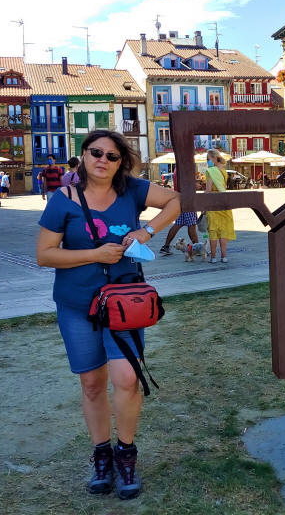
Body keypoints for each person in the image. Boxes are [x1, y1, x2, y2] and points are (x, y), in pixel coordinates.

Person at [36, 130, 179, 500]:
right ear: (84, 155)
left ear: (121, 163)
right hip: (77, 305)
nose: (103, 160)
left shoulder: (132, 190)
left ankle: (125, 454)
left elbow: (177, 200)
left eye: (112, 156)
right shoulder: (63, 199)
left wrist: (147, 231)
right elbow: (45, 254)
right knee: (92, 384)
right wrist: (95, 255)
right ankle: (101, 455)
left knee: (127, 379)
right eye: (96, 152)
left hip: (123, 304)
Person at [205, 148, 235, 263]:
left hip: (213, 204)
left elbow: (208, 189)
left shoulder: (211, 171)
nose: (207, 161)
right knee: (223, 231)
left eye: (208, 158)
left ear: (214, 158)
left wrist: (203, 195)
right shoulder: (223, 171)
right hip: (224, 203)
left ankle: (213, 257)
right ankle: (224, 256)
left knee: (213, 231)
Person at [158, 171, 198, 255]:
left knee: (178, 224)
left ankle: (166, 246)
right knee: (192, 224)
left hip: (179, 198)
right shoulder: (185, 169)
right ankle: (197, 248)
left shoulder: (177, 169)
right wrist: (195, 186)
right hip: (187, 199)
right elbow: (187, 185)